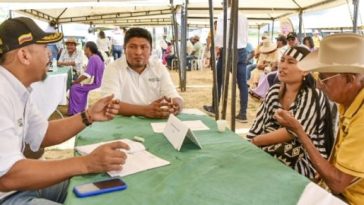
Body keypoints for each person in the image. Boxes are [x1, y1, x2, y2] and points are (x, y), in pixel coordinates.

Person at [0, 17, 128, 205]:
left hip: (17, 187)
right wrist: (86, 163)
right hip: (8, 194)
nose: (49, 55)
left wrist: (89, 115)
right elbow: (8, 176)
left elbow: (43, 133)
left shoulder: (16, 89)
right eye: (44, 48)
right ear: (24, 55)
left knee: (100, 186)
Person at [274, 33, 364, 204]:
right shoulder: (349, 100)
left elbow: (338, 183)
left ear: (350, 79)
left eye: (323, 79)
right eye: (316, 78)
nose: (319, 85)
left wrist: (299, 131)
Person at [247, 46, 334, 180]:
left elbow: (292, 132)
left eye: (291, 62)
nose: (283, 66)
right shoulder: (274, 91)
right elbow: (259, 124)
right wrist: (248, 143)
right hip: (272, 148)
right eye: (282, 60)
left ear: (305, 71)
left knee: (269, 165)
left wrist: (255, 141)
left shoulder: (313, 95)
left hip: (309, 159)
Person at [101, 27, 183, 119]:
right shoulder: (113, 69)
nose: (138, 52)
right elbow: (109, 103)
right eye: (132, 47)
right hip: (121, 124)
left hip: (154, 122)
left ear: (151, 50)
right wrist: (144, 110)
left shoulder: (158, 68)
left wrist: (176, 105)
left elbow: (172, 94)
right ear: (124, 49)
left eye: (143, 47)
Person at [203, 0, 249, 122]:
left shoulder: (222, 15)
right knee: (242, 83)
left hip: (228, 50)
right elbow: (245, 35)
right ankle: (243, 113)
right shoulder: (243, 16)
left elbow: (220, 36)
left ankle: (214, 108)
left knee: (219, 81)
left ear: (225, 4)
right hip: (242, 50)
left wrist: (218, 48)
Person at [68, 41, 106, 115]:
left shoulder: (93, 58)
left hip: (95, 84)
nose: (84, 51)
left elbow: (87, 75)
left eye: (84, 48)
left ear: (88, 49)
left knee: (74, 87)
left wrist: (76, 81)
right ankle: (78, 109)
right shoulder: (97, 57)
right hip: (98, 83)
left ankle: (75, 111)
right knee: (76, 86)